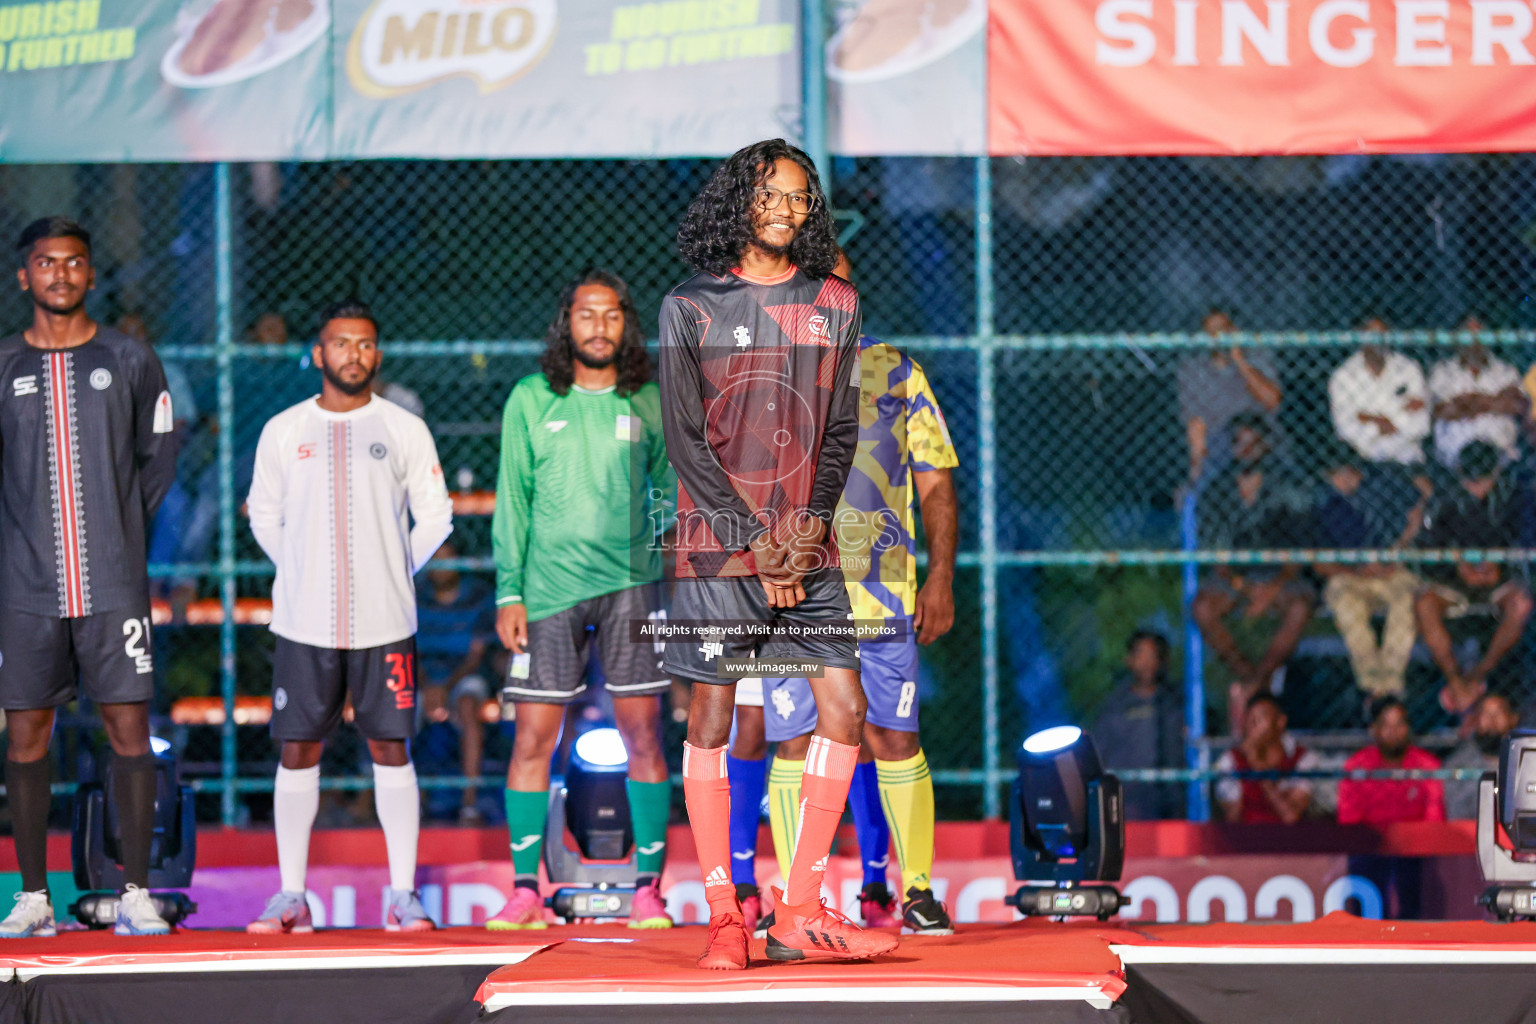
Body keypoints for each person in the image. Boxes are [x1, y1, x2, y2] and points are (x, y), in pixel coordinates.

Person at [661, 139, 896, 969]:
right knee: (715, 719)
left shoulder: (835, 300)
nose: (788, 210)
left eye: (801, 198)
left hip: (807, 544)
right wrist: (758, 546)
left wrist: (805, 532)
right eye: (773, 195)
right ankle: (726, 914)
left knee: (846, 709)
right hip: (723, 551)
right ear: (741, 200)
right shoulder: (689, 306)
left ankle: (799, 911)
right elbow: (687, 445)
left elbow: (839, 430)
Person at [729, 251, 961, 938]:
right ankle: (802, 899)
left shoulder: (896, 371)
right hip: (796, 595)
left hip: (885, 595)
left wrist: (942, 577)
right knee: (794, 740)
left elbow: (936, 482)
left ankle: (915, 890)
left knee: (894, 734)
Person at [245, 299, 454, 934]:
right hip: (302, 624)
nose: (353, 354)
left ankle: (401, 896)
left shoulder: (403, 427)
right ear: (318, 354)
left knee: (392, 747)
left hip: (386, 622)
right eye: (341, 344)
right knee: (298, 747)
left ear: (378, 355)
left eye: (364, 344)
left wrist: (393, 570)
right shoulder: (284, 429)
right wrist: (301, 570)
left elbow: (437, 516)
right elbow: (263, 515)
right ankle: (290, 898)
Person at [0, 217, 179, 938]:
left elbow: (158, 462)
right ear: (24, 277)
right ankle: (34, 897)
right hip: (26, 588)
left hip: (112, 584)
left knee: (129, 728)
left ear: (92, 275)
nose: (60, 275)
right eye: (46, 264)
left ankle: (136, 893)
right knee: (26, 736)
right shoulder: (5, 365)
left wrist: (116, 533)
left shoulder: (130, 359)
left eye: (74, 263)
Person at [485, 270, 676, 932]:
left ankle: (649, 888)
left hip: (631, 589)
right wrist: (509, 588)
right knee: (534, 736)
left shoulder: (648, 400)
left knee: (645, 733)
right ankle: (524, 891)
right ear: (565, 322)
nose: (598, 325)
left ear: (627, 324)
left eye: (611, 314)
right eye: (585, 314)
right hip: (546, 592)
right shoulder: (531, 399)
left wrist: (654, 554)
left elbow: (669, 491)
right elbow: (513, 500)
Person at [1192, 414, 1316, 732]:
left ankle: (1255, 685)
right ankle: (1254, 680)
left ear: (1266, 445)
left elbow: (1300, 549)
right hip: (1234, 579)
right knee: (1203, 607)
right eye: (1239, 443)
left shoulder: (1289, 485)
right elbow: (1214, 553)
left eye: (1252, 442)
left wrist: (1272, 588)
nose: (1245, 449)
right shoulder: (1217, 490)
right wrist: (1246, 589)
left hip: (1279, 578)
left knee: (1300, 607)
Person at [1414, 441, 1535, 714]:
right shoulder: (1444, 496)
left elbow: (1525, 541)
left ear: (1495, 473)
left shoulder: (1513, 494)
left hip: (1498, 579)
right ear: (1459, 472)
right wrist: (1457, 565)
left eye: (1483, 480)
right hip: (1454, 580)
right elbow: (1426, 546)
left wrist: (1500, 564)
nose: (1477, 488)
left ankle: (1480, 673)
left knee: (1521, 604)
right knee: (1424, 603)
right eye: (1471, 481)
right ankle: (1455, 680)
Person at [1312, 442, 1424, 700]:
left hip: (1391, 570)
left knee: (1405, 599)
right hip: (1350, 576)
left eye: (1350, 471)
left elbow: (1418, 510)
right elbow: (1319, 564)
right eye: (1336, 474)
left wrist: (1398, 549)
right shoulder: (1324, 504)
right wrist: (1359, 570)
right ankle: (1374, 685)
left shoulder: (1384, 490)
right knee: (1346, 605)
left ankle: (1390, 683)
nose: (1345, 479)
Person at [416, 540, 496, 824]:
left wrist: (444, 689)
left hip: (462, 677)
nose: (441, 567)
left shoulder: (478, 596)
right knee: (396, 709)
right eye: (434, 560)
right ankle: (414, 803)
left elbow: (476, 656)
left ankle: (469, 805)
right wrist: (428, 688)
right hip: (421, 678)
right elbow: (408, 651)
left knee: (466, 706)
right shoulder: (415, 595)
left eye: (447, 558)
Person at [1176, 308, 1282, 485]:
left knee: (1254, 438)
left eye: (1225, 329)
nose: (1221, 336)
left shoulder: (1257, 356)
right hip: (1219, 443)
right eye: (1213, 332)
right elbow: (1196, 422)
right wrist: (1196, 462)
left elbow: (1272, 401)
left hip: (1258, 436)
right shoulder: (1193, 369)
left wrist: (1241, 362)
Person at [1090, 631, 1185, 820]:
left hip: (1171, 803)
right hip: (1128, 803)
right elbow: (1099, 755)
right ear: (1129, 660)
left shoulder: (1177, 702)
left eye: (1153, 656)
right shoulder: (1114, 706)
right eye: (1142, 656)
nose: (1148, 663)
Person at [1337, 697, 1445, 825]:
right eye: (1386, 725)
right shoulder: (1356, 767)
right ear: (1374, 730)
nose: (1394, 732)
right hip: (1370, 841)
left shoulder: (1428, 766)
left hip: (1415, 841)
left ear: (1408, 728)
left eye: (1399, 724)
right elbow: (1349, 821)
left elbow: (1434, 821)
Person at [1215, 693, 1320, 824]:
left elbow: (1291, 816)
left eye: (1261, 718)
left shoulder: (1303, 758)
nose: (1253, 725)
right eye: (1250, 719)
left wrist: (1261, 771)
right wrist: (1247, 763)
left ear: (1280, 722)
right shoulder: (1230, 761)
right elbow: (1233, 819)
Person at [1428, 336, 1524, 469]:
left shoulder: (1506, 370)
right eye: (1468, 335)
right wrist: (1493, 401)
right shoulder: (1443, 371)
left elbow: (1516, 406)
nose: (1474, 342)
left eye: (1480, 334)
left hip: (1501, 457)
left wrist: (1470, 403)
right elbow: (1442, 411)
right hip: (1453, 459)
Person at [1443, 692, 1520, 819]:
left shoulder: (1529, 762)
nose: (1492, 720)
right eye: (1486, 714)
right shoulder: (1458, 764)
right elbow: (1456, 816)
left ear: (1513, 718)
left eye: (1499, 713)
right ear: (1475, 720)